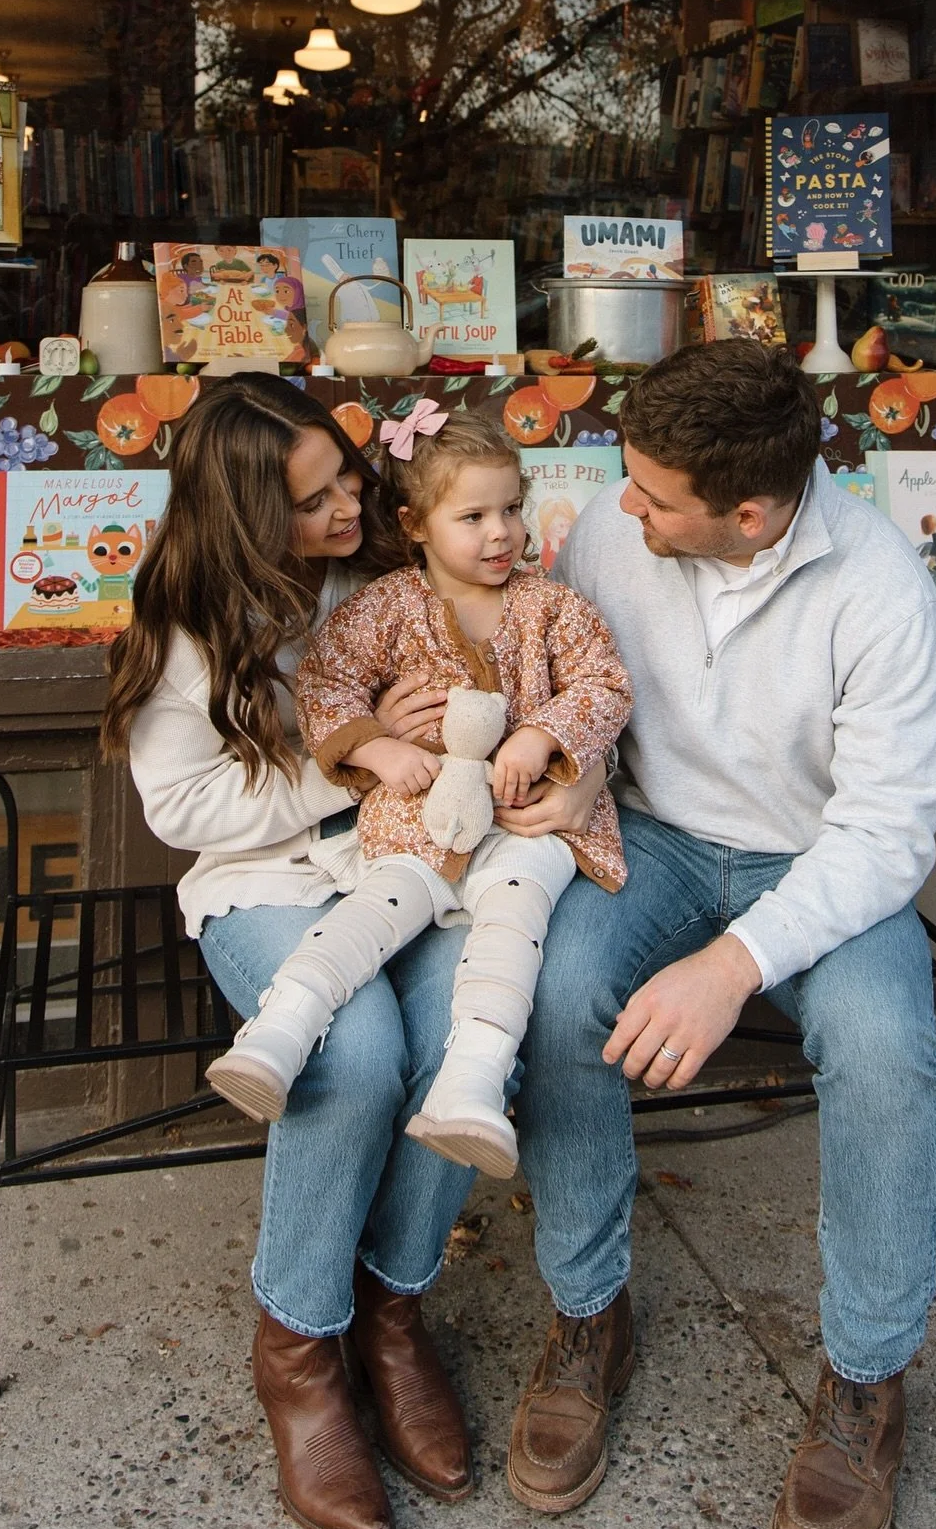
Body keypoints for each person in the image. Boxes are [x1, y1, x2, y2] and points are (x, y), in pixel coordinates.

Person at [101, 377, 618, 1529]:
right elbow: (180, 803)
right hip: (270, 879)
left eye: (346, 478)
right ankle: (298, 1347)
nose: (349, 506)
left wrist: (556, 769)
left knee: (454, 1043)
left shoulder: (396, 571)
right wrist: (362, 761)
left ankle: (393, 1306)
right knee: (356, 1057)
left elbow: (552, 682)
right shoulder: (187, 617)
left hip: (428, 858)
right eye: (315, 499)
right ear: (243, 515)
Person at [503, 340, 936, 1529]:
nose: (620, 507)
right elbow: (584, 688)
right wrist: (574, 765)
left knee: (884, 1049)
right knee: (555, 993)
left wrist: (733, 963)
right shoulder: (611, 529)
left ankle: (865, 1380)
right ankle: (590, 1315)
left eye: (654, 496)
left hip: (816, 867)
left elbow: (884, 837)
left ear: (747, 513)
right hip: (651, 838)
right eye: (629, 481)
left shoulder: (880, 589)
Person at [205, 406, 631, 1180]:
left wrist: (545, 737)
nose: (500, 533)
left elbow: (604, 684)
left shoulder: (553, 607)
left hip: (530, 822)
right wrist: (376, 745)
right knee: (377, 909)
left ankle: (471, 1084)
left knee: (514, 923)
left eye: (510, 509)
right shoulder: (383, 609)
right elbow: (327, 685)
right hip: (418, 815)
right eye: (473, 516)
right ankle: (277, 1033)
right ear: (416, 524)